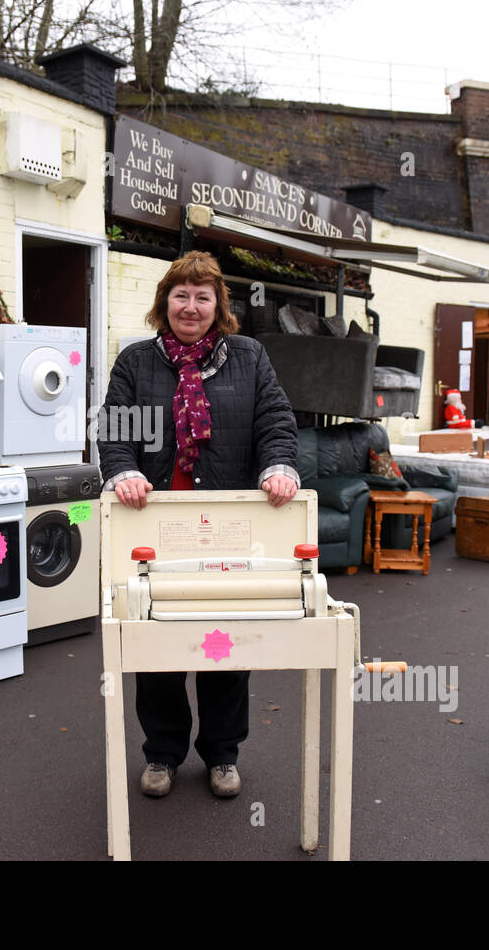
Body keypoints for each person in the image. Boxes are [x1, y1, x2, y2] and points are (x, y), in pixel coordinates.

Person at [98, 250, 299, 800]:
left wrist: (278, 468)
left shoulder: (251, 358)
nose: (191, 306)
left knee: (224, 642)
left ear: (218, 306)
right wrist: (124, 472)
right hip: (156, 529)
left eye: (202, 296)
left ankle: (223, 754)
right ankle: (162, 754)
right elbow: (115, 432)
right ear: (165, 302)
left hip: (228, 530)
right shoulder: (136, 363)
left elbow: (276, 423)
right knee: (156, 642)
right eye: (180, 295)